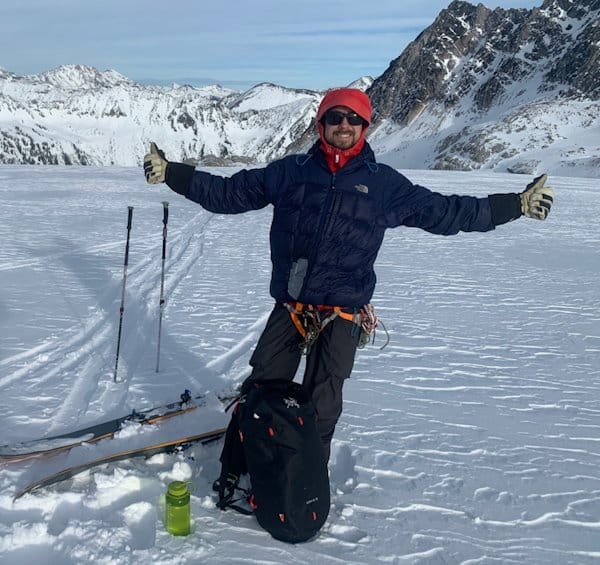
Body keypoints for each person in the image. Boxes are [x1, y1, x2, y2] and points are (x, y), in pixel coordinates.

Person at [143, 87, 554, 460]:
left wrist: (513, 206)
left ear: (366, 126)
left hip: (343, 311)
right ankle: (243, 461)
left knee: (323, 403)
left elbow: (447, 213)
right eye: (335, 117)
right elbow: (228, 194)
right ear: (320, 124)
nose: (344, 124)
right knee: (264, 387)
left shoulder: (383, 185)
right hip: (292, 304)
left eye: (353, 118)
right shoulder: (290, 173)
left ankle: (307, 475)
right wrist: (173, 173)